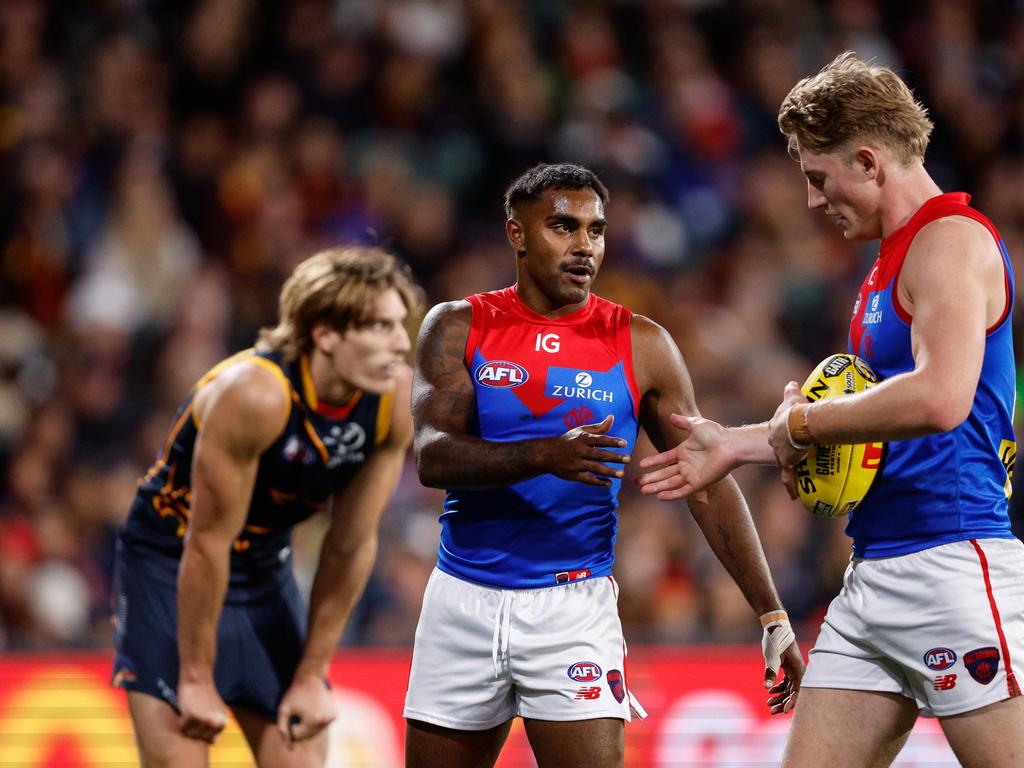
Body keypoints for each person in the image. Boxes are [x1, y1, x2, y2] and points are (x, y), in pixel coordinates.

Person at [636, 52, 1024, 767]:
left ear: (871, 162)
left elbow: (941, 399)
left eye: (819, 178)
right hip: (875, 571)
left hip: (952, 565)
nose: (814, 201)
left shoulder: (949, 242)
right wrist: (738, 443)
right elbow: (867, 426)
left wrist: (801, 426)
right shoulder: (885, 262)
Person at [403, 162, 804, 768]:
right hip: (462, 599)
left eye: (596, 230)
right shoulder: (459, 325)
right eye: (563, 227)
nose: (584, 245)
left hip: (572, 607)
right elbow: (432, 456)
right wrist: (545, 455)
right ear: (516, 235)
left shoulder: (640, 343)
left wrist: (772, 614)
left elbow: (706, 481)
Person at [111, 246, 423, 767]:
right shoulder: (256, 395)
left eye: (401, 325)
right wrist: (195, 676)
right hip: (170, 565)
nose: (400, 344)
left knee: (300, 755)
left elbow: (350, 543)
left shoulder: (394, 401)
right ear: (325, 334)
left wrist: (310, 675)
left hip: (262, 569)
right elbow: (207, 541)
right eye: (381, 327)